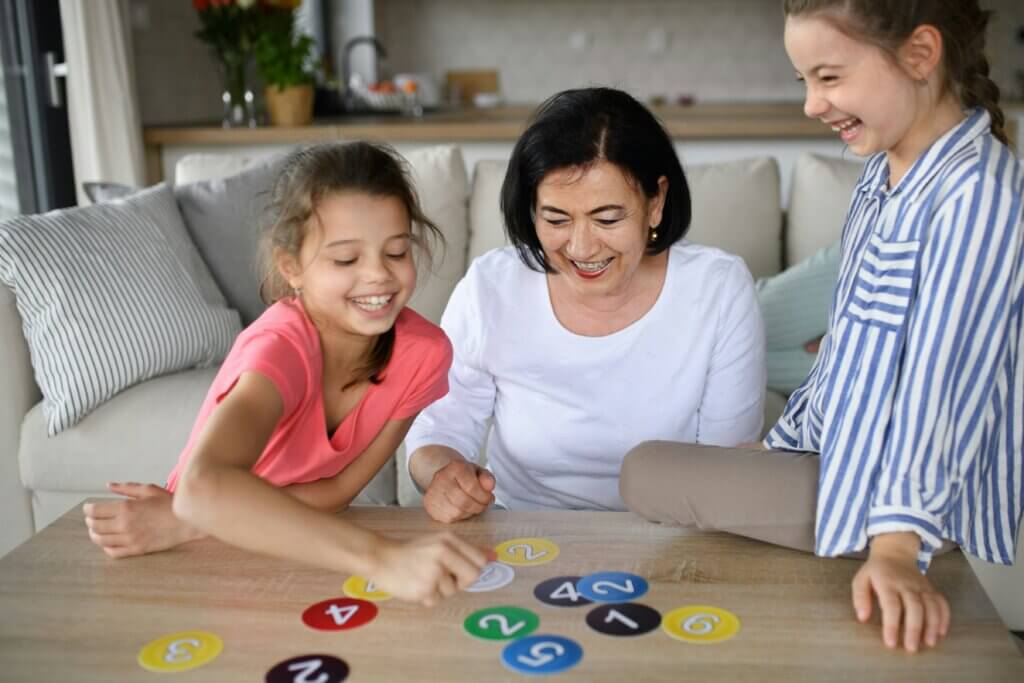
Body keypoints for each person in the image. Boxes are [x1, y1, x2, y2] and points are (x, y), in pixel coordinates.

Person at [620, 0, 1023, 654]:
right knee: (668, 473)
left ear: (920, 56)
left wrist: (895, 548)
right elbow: (846, 355)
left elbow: (940, 387)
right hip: (850, 460)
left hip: (910, 502)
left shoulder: (978, 195)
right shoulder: (884, 174)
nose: (811, 103)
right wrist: (782, 443)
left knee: (645, 472)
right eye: (803, 80)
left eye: (829, 77)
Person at [83, 142, 488, 606]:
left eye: (396, 252)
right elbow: (203, 486)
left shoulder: (425, 354)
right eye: (346, 260)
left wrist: (188, 520)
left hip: (296, 552)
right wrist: (384, 559)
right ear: (291, 267)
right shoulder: (280, 348)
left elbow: (340, 490)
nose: (378, 275)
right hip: (196, 562)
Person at [404, 87, 766, 521]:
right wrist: (447, 477)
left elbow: (725, 470)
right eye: (556, 219)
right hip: (522, 535)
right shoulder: (491, 287)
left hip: (672, 537)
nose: (581, 246)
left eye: (607, 218)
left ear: (656, 202)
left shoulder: (719, 290)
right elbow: (438, 432)